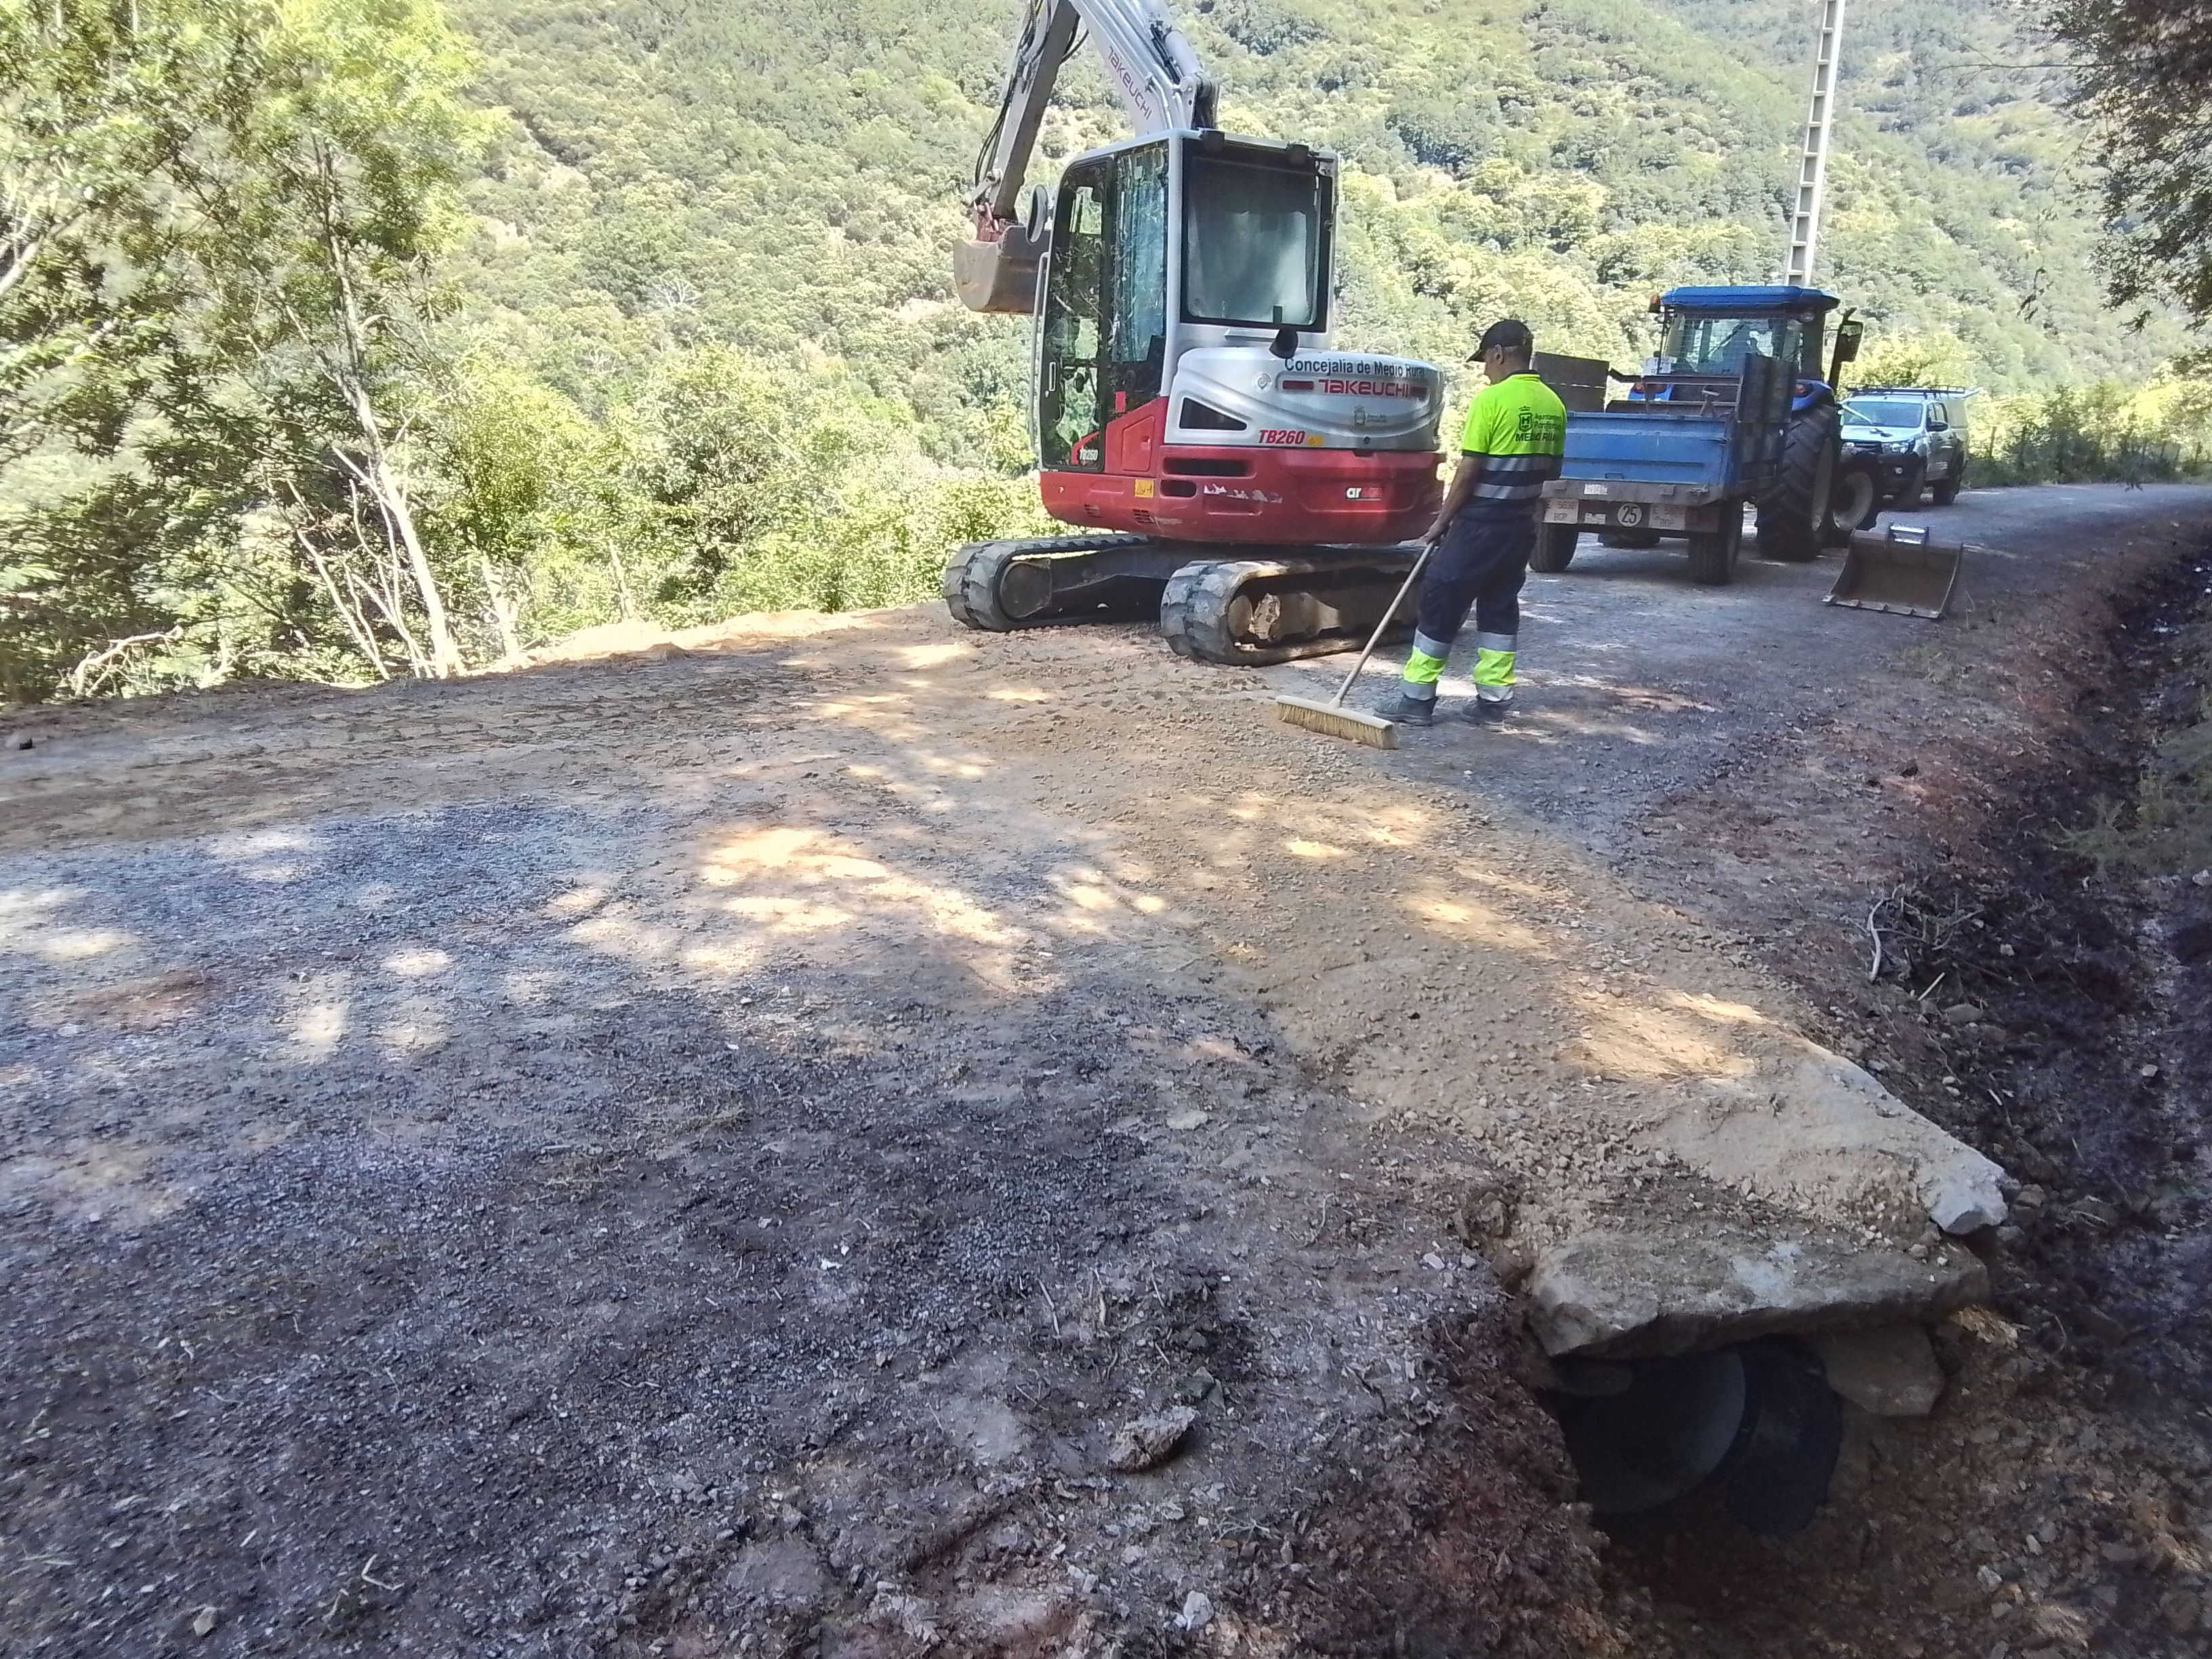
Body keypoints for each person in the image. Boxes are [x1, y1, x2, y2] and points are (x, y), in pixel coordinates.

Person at [1376, 319, 1566, 728]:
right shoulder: (1554, 404)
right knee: (1499, 608)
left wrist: (1440, 523)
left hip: (1481, 523)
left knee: (1441, 597)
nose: (1484, 370)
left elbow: (1468, 472)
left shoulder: (1492, 401)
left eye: (1486, 361)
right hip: (1520, 528)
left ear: (1499, 355)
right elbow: (1551, 469)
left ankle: (1416, 699)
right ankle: (1493, 704)